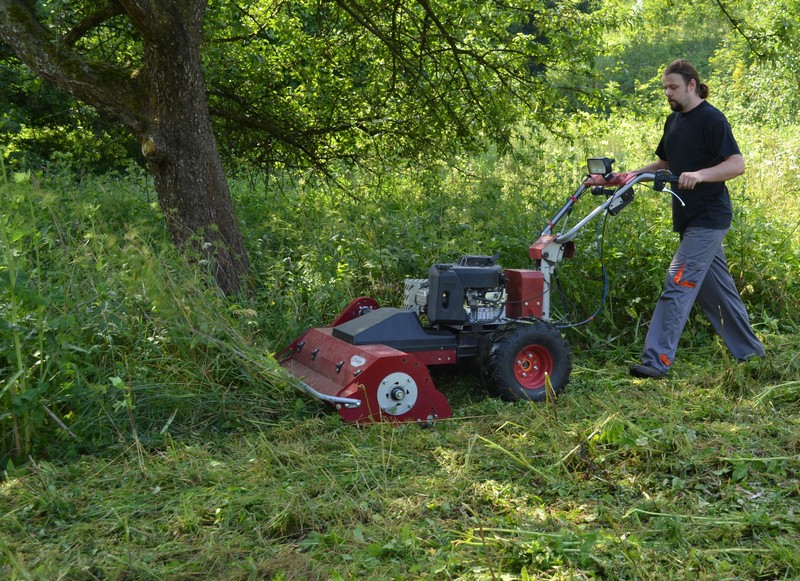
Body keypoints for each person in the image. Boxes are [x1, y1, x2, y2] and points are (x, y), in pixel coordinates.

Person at [625, 59, 765, 379]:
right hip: (689, 218)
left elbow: (737, 164)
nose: (667, 93)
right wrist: (631, 174)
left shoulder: (712, 119)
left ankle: (656, 360)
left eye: (672, 87)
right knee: (717, 293)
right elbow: (664, 162)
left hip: (709, 216)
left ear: (691, 85)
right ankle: (752, 354)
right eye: (664, 88)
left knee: (678, 281)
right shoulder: (673, 120)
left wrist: (701, 175)